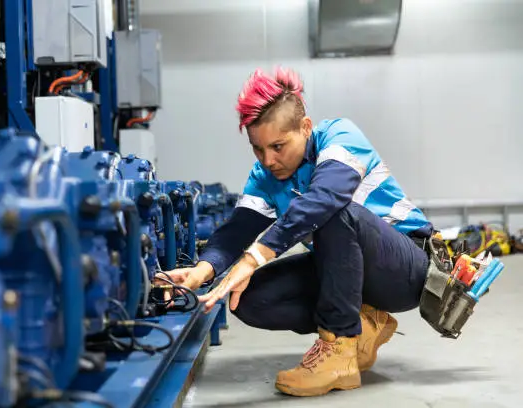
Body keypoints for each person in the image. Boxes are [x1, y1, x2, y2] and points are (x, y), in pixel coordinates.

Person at [157, 67, 433, 397]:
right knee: (248, 300)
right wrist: (203, 271)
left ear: (305, 127)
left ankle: (339, 346)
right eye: (258, 149)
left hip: (405, 268)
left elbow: (325, 198)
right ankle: (365, 322)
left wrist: (254, 257)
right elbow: (237, 230)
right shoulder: (265, 176)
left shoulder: (340, 136)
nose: (268, 160)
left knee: (332, 211)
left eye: (278, 146)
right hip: (346, 272)